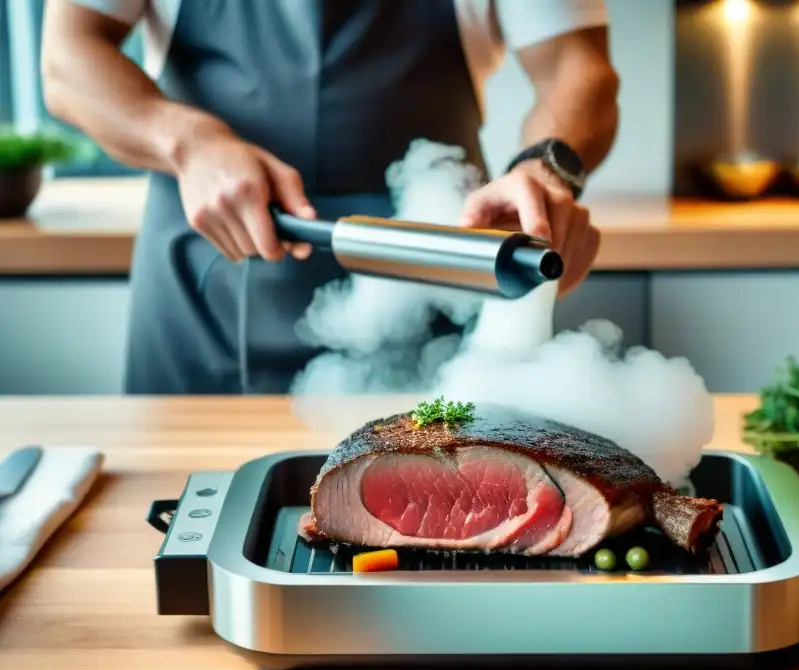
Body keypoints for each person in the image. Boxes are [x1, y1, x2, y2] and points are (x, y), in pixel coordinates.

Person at [41, 0, 620, 395]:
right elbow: (67, 58)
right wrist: (189, 143)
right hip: (203, 288)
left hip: (433, 289)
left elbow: (580, 70)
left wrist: (546, 172)